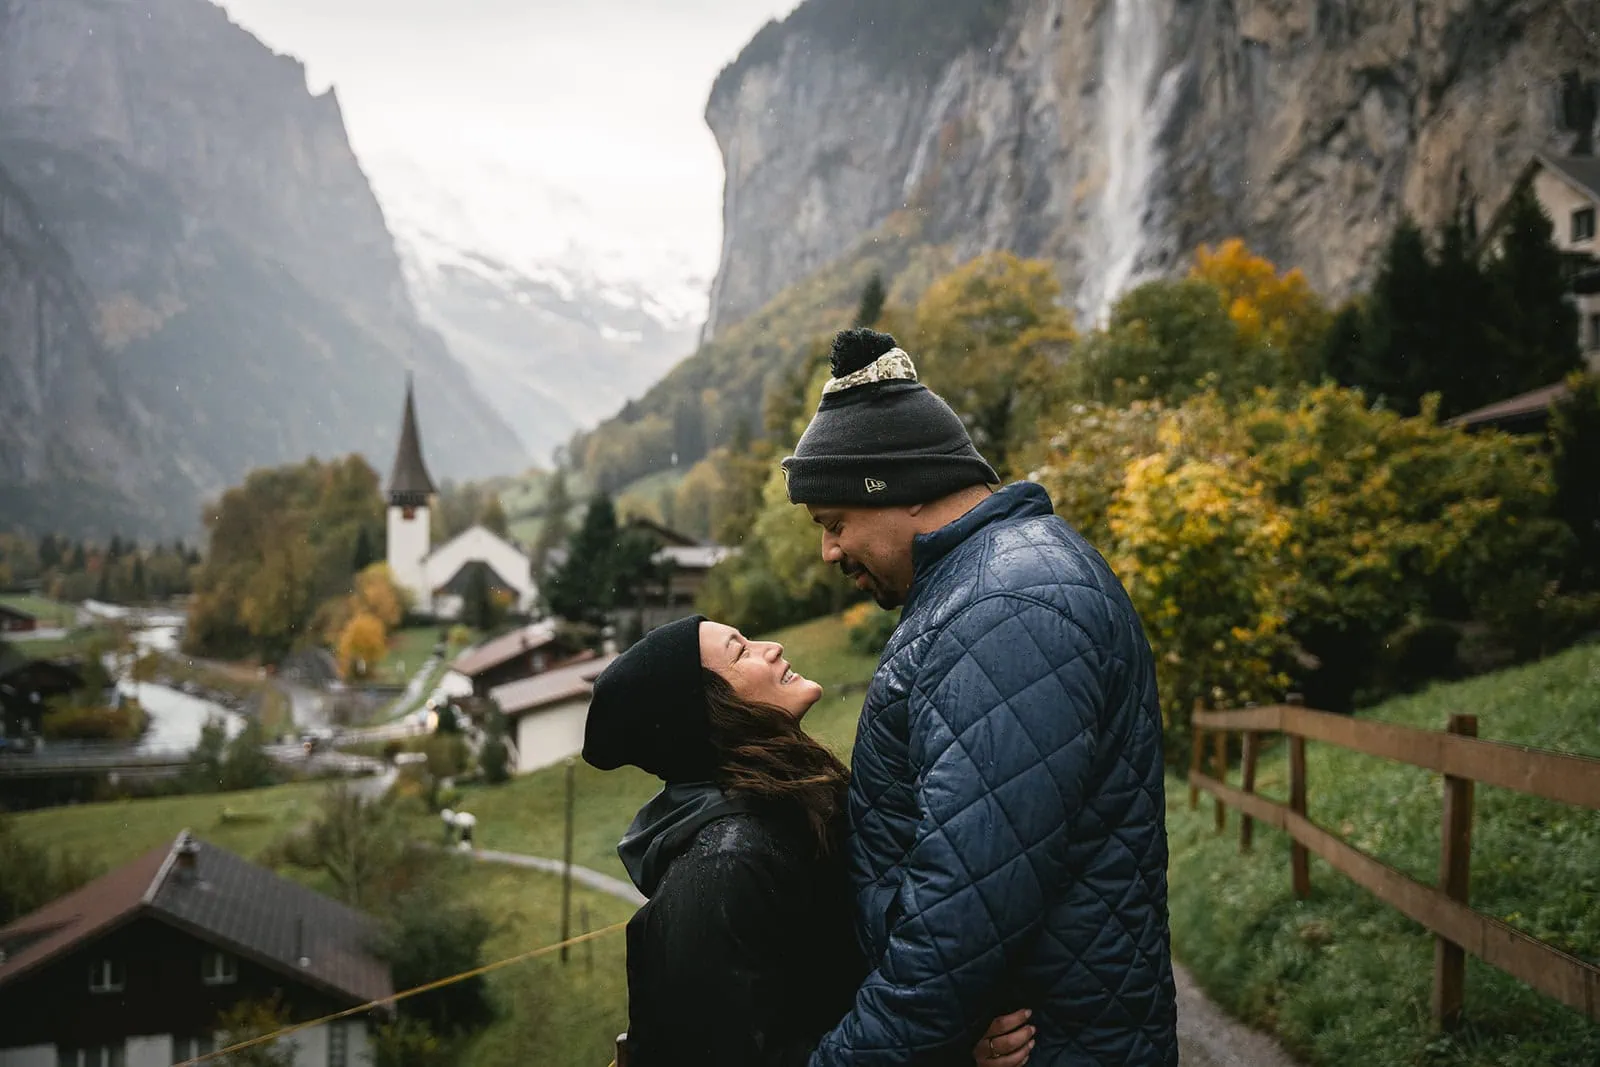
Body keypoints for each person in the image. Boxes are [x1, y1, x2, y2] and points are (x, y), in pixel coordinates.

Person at [780, 328, 1179, 1065]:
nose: (829, 552)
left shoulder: (1006, 605)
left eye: (834, 525)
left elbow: (960, 915)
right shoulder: (985, 587)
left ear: (894, 487)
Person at [582, 615, 1038, 1067]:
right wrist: (947, 1056)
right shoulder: (724, 866)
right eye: (741, 651)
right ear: (708, 713)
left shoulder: (788, 810)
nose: (772, 646)